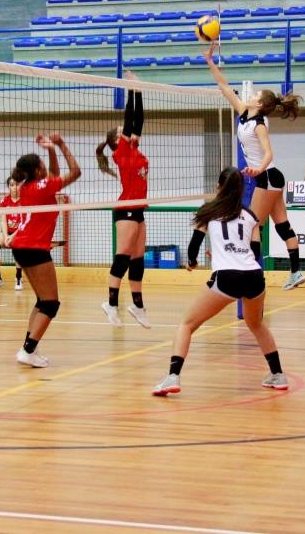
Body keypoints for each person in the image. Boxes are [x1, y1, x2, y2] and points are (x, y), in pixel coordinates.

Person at [152, 167, 287, 396]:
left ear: (218, 187)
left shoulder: (208, 211)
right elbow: (254, 252)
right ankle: (278, 374)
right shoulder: (251, 216)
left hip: (227, 277)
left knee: (187, 324)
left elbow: (194, 246)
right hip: (254, 276)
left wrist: (193, 263)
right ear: (242, 190)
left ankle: (172, 377)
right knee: (256, 324)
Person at [204, 45, 305, 290]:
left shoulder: (259, 123)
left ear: (259, 104)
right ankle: (296, 272)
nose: (251, 96)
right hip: (270, 177)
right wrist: (209, 61)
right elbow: (225, 87)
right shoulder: (243, 113)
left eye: (255, 95)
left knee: (251, 224)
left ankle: (253, 272)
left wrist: (258, 169)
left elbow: (269, 153)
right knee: (281, 225)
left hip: (268, 175)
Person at [10, 132, 81, 367]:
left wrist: (50, 150)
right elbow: (75, 172)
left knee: (42, 300)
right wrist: (61, 144)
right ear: (38, 170)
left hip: (20, 246)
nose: (46, 167)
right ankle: (28, 351)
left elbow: (53, 175)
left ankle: (29, 347)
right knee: (51, 303)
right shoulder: (42, 187)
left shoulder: (31, 186)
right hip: (33, 248)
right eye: (42, 163)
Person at [97, 72, 151, 328]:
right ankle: (111, 303)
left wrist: (137, 91)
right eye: (122, 133)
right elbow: (131, 120)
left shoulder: (135, 150)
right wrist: (131, 90)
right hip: (126, 208)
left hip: (138, 208)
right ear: (115, 142)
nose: (127, 132)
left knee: (138, 258)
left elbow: (137, 122)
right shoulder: (120, 153)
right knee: (123, 256)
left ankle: (137, 305)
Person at [0, 176, 24, 291]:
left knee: (18, 248)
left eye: (17, 184)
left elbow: (24, 223)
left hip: (21, 232)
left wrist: (12, 237)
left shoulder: (25, 201)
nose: (15, 187)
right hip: (7, 232)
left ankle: (18, 277)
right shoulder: (4, 201)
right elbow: (3, 221)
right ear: (8, 187)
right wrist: (6, 236)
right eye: (12, 185)